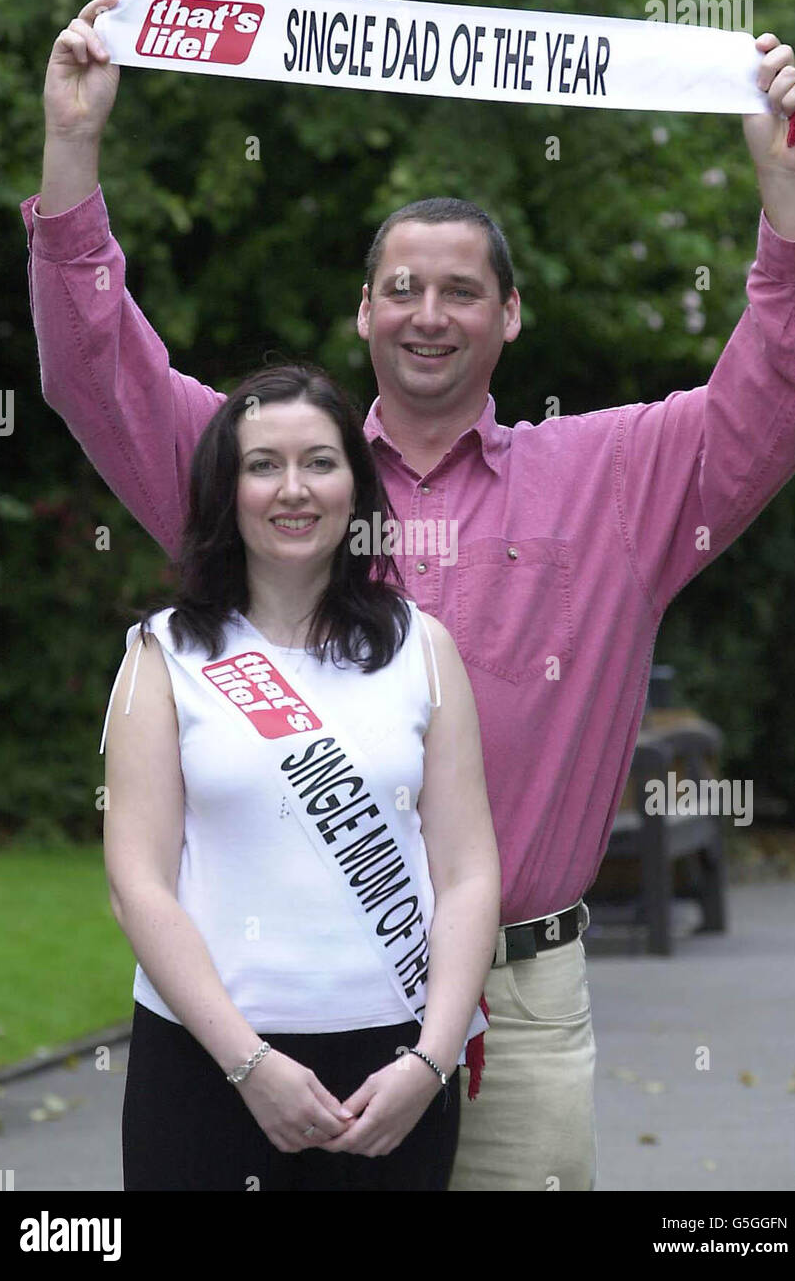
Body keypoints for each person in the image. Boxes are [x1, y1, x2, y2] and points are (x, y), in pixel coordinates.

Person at [23, 0, 795, 1191]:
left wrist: (786, 199)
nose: (428, 312)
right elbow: (98, 375)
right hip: (286, 1010)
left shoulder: (617, 474)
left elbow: (787, 396)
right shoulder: (267, 473)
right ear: (364, 311)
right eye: (401, 285)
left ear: (510, 314)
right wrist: (73, 151)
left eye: (462, 289)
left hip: (518, 1003)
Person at [98, 361, 501, 1191]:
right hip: (207, 1065)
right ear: (226, 489)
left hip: (394, 1075)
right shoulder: (162, 655)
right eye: (262, 465)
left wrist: (430, 1062)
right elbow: (136, 883)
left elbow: (468, 875)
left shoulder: (422, 650)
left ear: (356, 486)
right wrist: (250, 1066)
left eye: (320, 461)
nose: (294, 489)